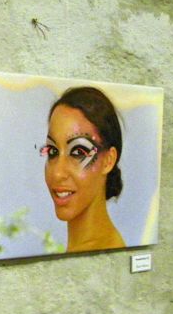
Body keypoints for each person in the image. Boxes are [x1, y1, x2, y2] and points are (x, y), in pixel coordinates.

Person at [41, 86, 125, 252]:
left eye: (78, 152)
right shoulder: (85, 249)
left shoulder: (100, 253)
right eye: (53, 151)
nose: (57, 173)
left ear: (108, 160)